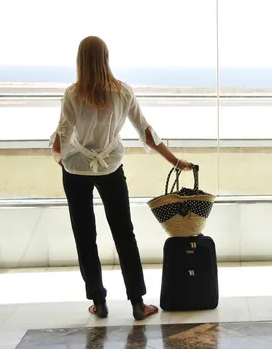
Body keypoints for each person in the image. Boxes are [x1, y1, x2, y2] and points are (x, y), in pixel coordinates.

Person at [50, 36, 192, 320]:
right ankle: (138, 304)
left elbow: (63, 135)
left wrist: (60, 160)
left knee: (84, 236)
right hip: (111, 168)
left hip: (76, 168)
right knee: (124, 234)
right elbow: (146, 131)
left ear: (80, 60)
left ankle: (99, 303)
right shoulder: (123, 92)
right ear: (106, 58)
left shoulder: (73, 93)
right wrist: (175, 160)